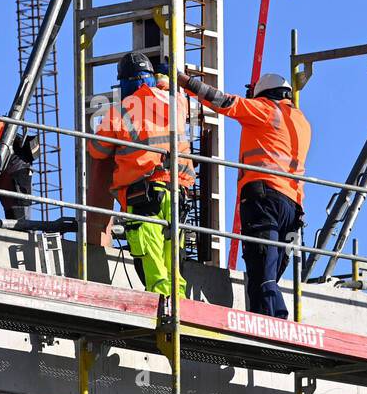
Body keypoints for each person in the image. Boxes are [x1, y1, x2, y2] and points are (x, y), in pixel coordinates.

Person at [177, 68, 311, 319]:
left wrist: (187, 83)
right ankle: (267, 318)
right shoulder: (301, 121)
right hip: (292, 207)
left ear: (265, 94)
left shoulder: (266, 110)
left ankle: (272, 325)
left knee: (261, 271)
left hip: (264, 199)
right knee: (271, 269)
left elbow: (224, 102)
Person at [87, 52, 195, 297]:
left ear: (124, 82)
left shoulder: (120, 111)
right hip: (177, 191)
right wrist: (165, 78)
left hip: (143, 194)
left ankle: (162, 304)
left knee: (149, 253)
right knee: (172, 253)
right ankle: (178, 301)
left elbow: (97, 150)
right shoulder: (175, 102)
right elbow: (174, 90)